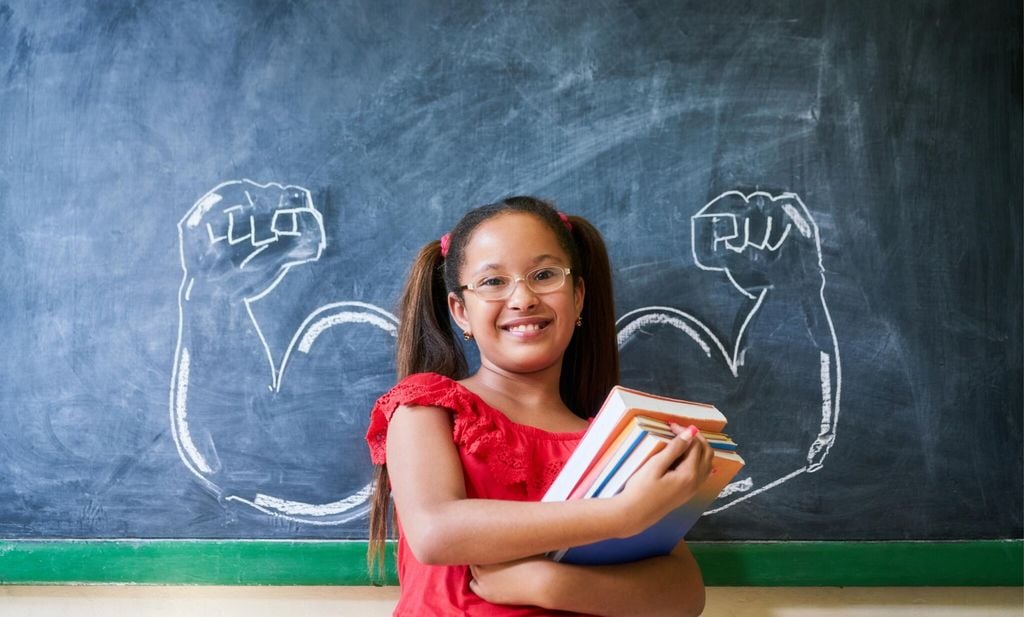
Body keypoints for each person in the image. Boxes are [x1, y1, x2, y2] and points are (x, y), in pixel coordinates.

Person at [366, 196, 713, 616]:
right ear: (460, 311)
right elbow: (436, 532)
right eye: (493, 282)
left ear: (578, 296)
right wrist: (622, 514)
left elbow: (685, 594)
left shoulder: (614, 440)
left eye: (544, 275)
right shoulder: (428, 406)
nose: (523, 298)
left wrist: (550, 584)